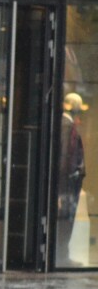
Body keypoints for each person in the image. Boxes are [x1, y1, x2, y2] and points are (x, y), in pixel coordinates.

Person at [59, 92, 87, 263]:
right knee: (65, 220)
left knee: (67, 220)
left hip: (69, 181)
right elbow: (64, 157)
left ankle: (63, 253)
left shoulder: (66, 126)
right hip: (67, 183)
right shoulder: (66, 127)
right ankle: (62, 254)